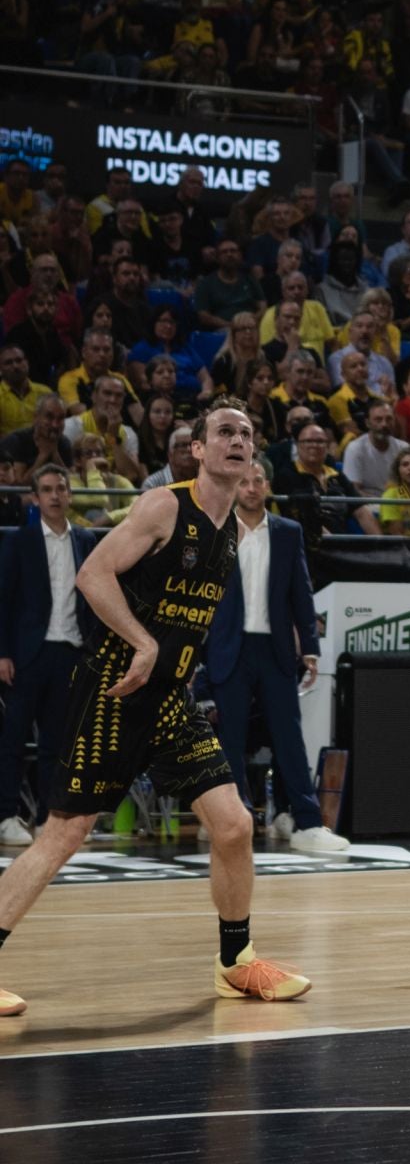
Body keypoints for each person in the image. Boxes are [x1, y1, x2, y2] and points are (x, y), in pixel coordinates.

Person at [0, 398, 311, 1016]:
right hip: (115, 688)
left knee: (234, 825)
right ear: (198, 449)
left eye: (246, 433)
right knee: (65, 833)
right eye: (224, 431)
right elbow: (93, 574)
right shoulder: (164, 505)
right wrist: (143, 644)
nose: (238, 440)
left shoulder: (232, 527)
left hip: (169, 698)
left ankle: (236, 963)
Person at [206, 458, 347, 857]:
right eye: (243, 482)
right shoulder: (214, 530)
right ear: (233, 487)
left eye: (257, 481)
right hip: (228, 648)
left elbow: (301, 593)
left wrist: (311, 649)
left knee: (289, 738)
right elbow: (200, 595)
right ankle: (231, 823)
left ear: (267, 485)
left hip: (276, 649)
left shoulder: (288, 532)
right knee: (229, 741)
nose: (251, 488)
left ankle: (308, 823)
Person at [0, 466, 98, 847]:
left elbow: (94, 600)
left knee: (57, 744)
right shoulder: (19, 540)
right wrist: (3, 653)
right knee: (13, 738)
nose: (55, 496)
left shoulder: (85, 540)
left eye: (61, 488)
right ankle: (7, 815)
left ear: (70, 494)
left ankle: (48, 817)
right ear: (35, 497)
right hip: (27, 654)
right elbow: (4, 601)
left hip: (70, 651)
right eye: (47, 489)